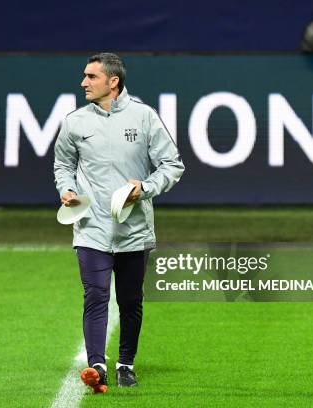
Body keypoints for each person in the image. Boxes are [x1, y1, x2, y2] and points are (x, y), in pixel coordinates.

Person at [53, 52, 184, 393]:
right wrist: (67, 189)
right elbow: (63, 164)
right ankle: (97, 365)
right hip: (91, 229)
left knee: (130, 301)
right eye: (84, 76)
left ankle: (126, 362)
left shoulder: (144, 117)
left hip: (134, 231)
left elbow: (172, 165)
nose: (83, 82)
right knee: (95, 295)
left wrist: (146, 188)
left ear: (113, 81)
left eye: (91, 77)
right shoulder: (75, 122)